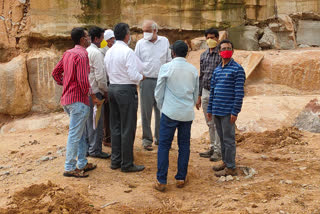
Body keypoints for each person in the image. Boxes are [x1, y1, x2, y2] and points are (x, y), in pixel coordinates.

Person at [52, 27, 102, 178]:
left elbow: (55, 73)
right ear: (82, 39)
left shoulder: (68, 53)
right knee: (75, 134)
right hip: (78, 101)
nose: (89, 38)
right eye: (87, 36)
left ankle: (81, 163)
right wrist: (92, 96)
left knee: (79, 133)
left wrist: (66, 83)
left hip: (67, 99)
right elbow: (82, 80)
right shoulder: (82, 55)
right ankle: (69, 167)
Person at [154, 40, 199, 192]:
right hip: (186, 113)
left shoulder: (166, 67)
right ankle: (180, 177)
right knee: (184, 145)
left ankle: (161, 180)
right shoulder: (193, 70)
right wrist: (189, 106)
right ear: (186, 53)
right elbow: (195, 93)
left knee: (164, 146)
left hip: (169, 112)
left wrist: (162, 106)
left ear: (172, 52)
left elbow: (159, 91)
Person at [104, 23, 146, 173]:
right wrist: (142, 77)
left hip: (113, 88)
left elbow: (107, 72)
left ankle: (115, 160)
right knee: (128, 126)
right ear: (127, 35)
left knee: (115, 126)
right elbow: (134, 75)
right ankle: (127, 163)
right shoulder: (127, 51)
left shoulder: (109, 51)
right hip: (125, 89)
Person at [207, 39, 246, 177]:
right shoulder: (217, 70)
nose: (226, 51)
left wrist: (235, 111)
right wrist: (210, 109)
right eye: (223, 48)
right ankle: (225, 161)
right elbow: (213, 90)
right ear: (219, 52)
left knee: (229, 140)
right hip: (217, 110)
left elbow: (239, 93)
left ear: (233, 51)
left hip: (228, 112)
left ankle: (231, 167)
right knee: (222, 139)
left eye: (229, 48)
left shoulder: (237, 69)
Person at [135, 20, 172, 151]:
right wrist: (140, 76)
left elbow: (169, 60)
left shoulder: (164, 41)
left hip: (161, 80)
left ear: (155, 30)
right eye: (143, 31)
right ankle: (146, 139)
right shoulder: (140, 44)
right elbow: (136, 61)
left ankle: (160, 138)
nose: (145, 34)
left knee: (161, 111)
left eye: (148, 31)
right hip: (146, 81)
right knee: (146, 111)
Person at [197, 28, 222, 162]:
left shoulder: (221, 55)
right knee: (209, 121)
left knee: (217, 121)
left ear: (217, 38)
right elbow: (202, 75)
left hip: (218, 92)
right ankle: (213, 147)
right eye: (207, 38)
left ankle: (218, 151)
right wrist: (199, 95)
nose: (209, 40)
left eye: (212, 37)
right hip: (206, 90)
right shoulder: (203, 55)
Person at [85, 26, 110, 159]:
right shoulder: (97, 53)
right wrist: (105, 90)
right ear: (96, 38)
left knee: (89, 122)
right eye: (102, 38)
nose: (103, 41)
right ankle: (95, 150)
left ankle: (88, 148)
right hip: (96, 91)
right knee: (97, 122)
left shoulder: (86, 51)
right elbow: (100, 77)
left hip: (87, 92)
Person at [100, 29, 115, 147]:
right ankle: (107, 138)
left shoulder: (107, 50)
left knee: (108, 113)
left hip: (108, 83)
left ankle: (107, 137)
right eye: (111, 39)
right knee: (107, 113)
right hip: (106, 84)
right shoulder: (103, 52)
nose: (113, 41)